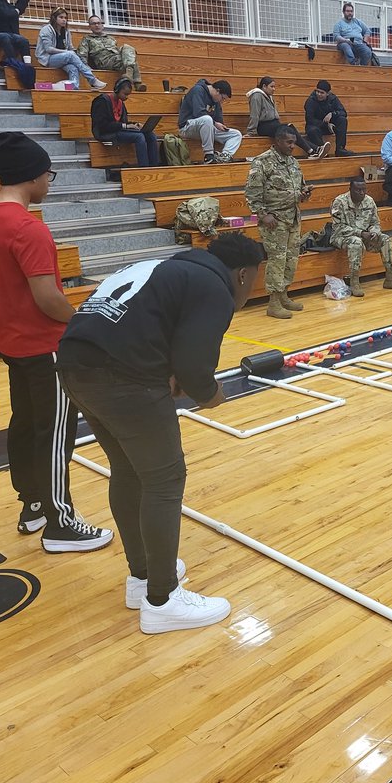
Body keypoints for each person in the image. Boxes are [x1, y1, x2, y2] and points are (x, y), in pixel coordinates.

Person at [57, 232, 264, 634]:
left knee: (129, 471)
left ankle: (142, 578)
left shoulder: (167, 268)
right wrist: (212, 394)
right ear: (243, 274)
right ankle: (163, 599)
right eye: (255, 279)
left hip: (73, 365)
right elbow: (194, 369)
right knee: (164, 479)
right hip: (123, 376)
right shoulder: (213, 286)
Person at [0, 132, 114, 550]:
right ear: (33, 175)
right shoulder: (27, 228)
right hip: (46, 347)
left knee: (26, 425)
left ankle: (33, 506)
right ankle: (60, 523)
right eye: (49, 175)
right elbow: (49, 298)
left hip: (12, 343)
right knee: (55, 434)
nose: (49, 184)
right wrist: (81, 324)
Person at [245, 124, 311, 319]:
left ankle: (283, 295)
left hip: (293, 217)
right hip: (274, 220)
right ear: (278, 141)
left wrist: (304, 193)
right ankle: (273, 303)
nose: (293, 146)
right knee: (277, 260)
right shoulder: (262, 162)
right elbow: (252, 193)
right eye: (289, 142)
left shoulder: (293, 162)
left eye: (294, 142)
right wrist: (262, 214)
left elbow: (299, 187)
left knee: (291, 259)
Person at [330, 178, 392, 296]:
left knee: (385, 239)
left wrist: (374, 232)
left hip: (364, 236)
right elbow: (338, 227)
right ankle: (354, 282)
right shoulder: (339, 202)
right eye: (358, 190)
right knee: (356, 242)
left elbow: (375, 223)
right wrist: (360, 233)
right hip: (341, 237)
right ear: (350, 189)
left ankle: (390, 278)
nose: (361, 193)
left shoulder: (369, 201)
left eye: (364, 189)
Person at [246, 77, 326, 158]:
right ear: (264, 86)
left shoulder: (269, 96)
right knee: (288, 129)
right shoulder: (256, 96)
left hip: (273, 124)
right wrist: (251, 132)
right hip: (264, 126)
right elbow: (254, 114)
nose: (274, 89)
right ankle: (313, 150)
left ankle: (314, 150)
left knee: (290, 129)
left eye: (274, 87)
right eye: (272, 86)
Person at [91, 78, 159, 167]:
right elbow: (103, 125)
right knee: (139, 137)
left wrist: (134, 124)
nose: (126, 97)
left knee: (151, 135)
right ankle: (144, 167)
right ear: (117, 89)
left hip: (118, 130)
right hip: (106, 133)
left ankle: (154, 167)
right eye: (125, 94)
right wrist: (125, 126)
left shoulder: (120, 103)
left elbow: (123, 123)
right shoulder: (102, 101)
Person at [37, 9, 107, 90]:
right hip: (48, 59)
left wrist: (74, 54)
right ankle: (92, 80)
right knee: (70, 55)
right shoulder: (46, 29)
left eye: (65, 18)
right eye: (61, 17)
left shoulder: (66, 32)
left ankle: (74, 87)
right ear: (54, 18)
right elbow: (48, 49)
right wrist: (67, 52)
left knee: (73, 68)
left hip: (63, 58)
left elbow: (70, 48)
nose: (64, 20)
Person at [178, 78, 242, 164]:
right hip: (187, 127)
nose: (222, 101)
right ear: (217, 91)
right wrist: (215, 123)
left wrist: (222, 127)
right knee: (207, 119)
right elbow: (198, 113)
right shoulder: (198, 90)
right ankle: (209, 155)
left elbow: (219, 119)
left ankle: (224, 156)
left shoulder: (215, 100)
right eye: (222, 98)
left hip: (207, 127)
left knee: (236, 134)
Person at [78, 15, 145, 91]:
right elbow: (82, 55)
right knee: (131, 58)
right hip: (104, 61)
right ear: (89, 27)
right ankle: (136, 82)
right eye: (94, 23)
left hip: (116, 59)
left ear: (102, 25)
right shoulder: (87, 39)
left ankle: (130, 75)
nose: (97, 25)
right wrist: (87, 68)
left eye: (99, 23)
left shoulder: (110, 38)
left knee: (127, 48)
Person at [304, 80, 353, 156]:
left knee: (342, 120)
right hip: (316, 126)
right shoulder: (311, 101)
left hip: (330, 127)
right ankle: (321, 150)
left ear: (328, 93)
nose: (319, 94)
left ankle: (340, 149)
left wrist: (332, 114)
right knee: (312, 130)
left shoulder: (333, 98)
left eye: (322, 93)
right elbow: (310, 119)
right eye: (317, 91)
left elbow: (343, 112)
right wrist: (325, 125)